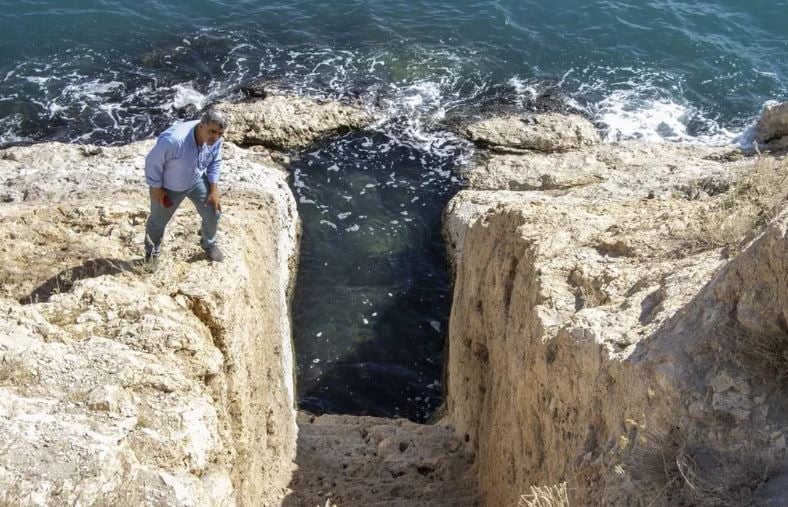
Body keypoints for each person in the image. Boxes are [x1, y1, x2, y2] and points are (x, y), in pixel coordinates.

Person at [144, 109, 227, 265]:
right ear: (202, 125)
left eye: (220, 134)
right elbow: (152, 162)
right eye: (212, 131)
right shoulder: (175, 140)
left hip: (196, 180)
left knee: (213, 213)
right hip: (169, 187)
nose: (215, 137)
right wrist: (157, 188)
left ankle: (208, 243)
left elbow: (215, 161)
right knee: (157, 223)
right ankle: (151, 255)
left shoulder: (214, 140)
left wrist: (214, 190)